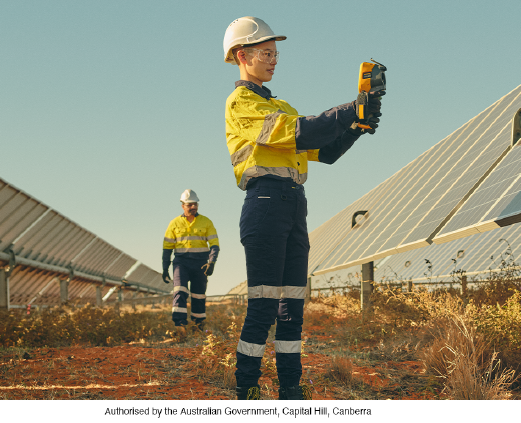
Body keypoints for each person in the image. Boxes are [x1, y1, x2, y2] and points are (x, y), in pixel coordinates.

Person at [221, 16, 383, 400]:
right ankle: (247, 389)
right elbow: (296, 132)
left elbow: (322, 151)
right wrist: (350, 110)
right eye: (266, 52)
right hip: (264, 203)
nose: (274, 59)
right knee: (263, 305)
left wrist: (357, 127)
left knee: (291, 306)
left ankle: (290, 391)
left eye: (276, 53)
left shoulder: (281, 104)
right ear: (243, 55)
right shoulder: (241, 102)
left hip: (293, 205)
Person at [161, 189, 220, 330]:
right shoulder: (174, 223)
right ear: (183, 205)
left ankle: (198, 326)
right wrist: (165, 268)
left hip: (201, 263)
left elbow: (214, 245)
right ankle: (180, 325)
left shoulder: (206, 222)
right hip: (181, 262)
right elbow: (167, 247)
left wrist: (211, 262)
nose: (193, 207)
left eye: (195, 204)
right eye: (190, 205)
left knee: (199, 295)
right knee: (180, 291)